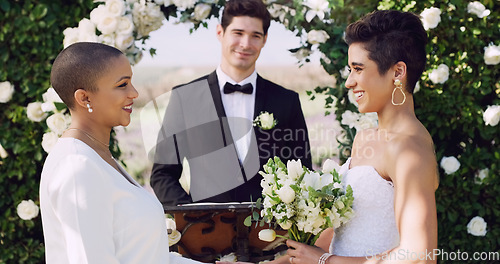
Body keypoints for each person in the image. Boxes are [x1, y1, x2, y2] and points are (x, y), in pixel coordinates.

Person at [284, 10, 439, 264]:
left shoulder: (409, 149)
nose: (349, 82)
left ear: (398, 72)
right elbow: (338, 233)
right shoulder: (365, 138)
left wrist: (326, 261)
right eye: (350, 69)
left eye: (358, 69)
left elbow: (420, 255)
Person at [39, 42, 203, 264]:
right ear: (85, 98)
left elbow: (149, 257)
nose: (134, 93)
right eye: (122, 85)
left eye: (131, 82)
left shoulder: (97, 156)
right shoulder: (77, 168)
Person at [150, 0, 312, 206]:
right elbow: (163, 174)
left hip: (272, 234)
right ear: (220, 32)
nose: (245, 44)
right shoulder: (184, 98)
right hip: (205, 233)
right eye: (238, 33)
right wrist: (194, 218)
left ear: (265, 40)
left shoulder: (286, 100)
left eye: (255, 36)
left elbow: (302, 172)